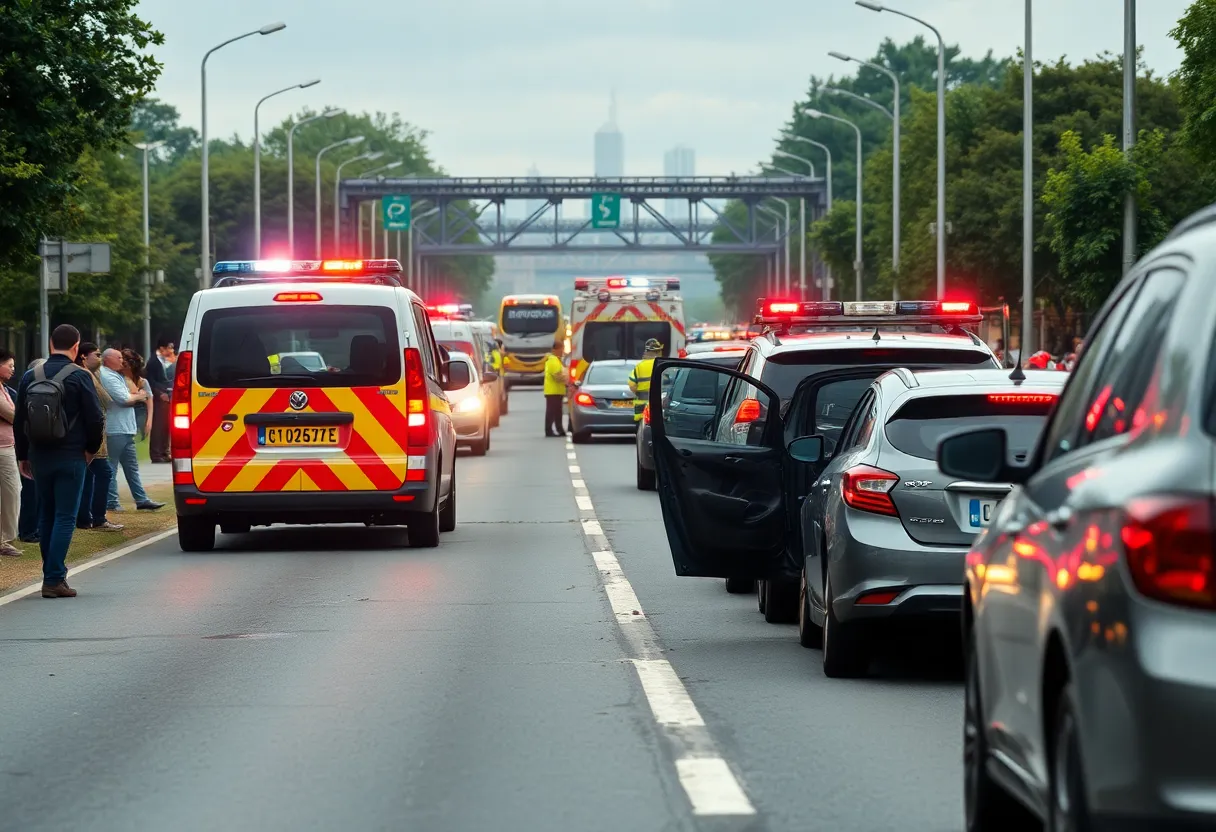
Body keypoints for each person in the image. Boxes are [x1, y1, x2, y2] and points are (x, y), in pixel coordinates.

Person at [14, 324, 105, 598]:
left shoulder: (31, 375)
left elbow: (20, 420)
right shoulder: (80, 376)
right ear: (77, 347)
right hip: (72, 455)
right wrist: (90, 450)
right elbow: (95, 418)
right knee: (66, 516)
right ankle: (54, 578)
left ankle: (52, 576)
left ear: (51, 343)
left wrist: (22, 455)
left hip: (39, 456)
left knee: (47, 514)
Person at [99, 348, 163, 512]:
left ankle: (141, 499)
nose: (122, 361)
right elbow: (125, 399)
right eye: (119, 358)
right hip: (115, 428)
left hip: (126, 428)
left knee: (131, 467)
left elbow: (135, 393)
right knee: (111, 467)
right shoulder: (106, 375)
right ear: (109, 359)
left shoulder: (119, 375)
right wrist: (139, 396)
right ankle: (111, 502)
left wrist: (138, 395)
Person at [75, 343, 122, 532]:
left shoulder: (89, 374)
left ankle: (86, 518)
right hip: (91, 437)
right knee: (103, 473)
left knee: (89, 477)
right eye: (97, 354)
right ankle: (97, 518)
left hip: (87, 435)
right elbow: (106, 400)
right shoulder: (85, 374)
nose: (100, 358)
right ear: (84, 357)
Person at [16, 358, 42, 543]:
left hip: (36, 444)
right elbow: (16, 416)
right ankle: (28, 529)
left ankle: (37, 527)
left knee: (39, 491)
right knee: (31, 490)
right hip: (31, 444)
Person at [0, 349, 21, 556]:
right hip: (2, 449)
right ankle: (4, 540)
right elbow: (12, 415)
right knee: (12, 492)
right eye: (10, 365)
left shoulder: (4, 388)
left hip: (6, 446)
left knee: (10, 493)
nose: (13, 370)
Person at [147, 337, 175, 462]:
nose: (171, 350)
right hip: (159, 397)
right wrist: (159, 393)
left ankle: (165, 451)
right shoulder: (153, 361)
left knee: (167, 425)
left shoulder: (165, 361)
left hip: (168, 395)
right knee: (158, 426)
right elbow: (150, 381)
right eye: (170, 347)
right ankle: (156, 454)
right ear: (162, 348)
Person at [628, 338, 664, 427]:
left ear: (646, 351)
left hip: (641, 407)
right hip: (658, 405)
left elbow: (632, 385)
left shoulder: (639, 367)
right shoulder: (661, 364)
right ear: (657, 352)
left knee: (642, 433)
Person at [121, 348, 153, 441]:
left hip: (140, 412)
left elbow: (149, 399)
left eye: (126, 359)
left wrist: (149, 420)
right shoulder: (118, 379)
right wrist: (139, 395)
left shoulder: (142, 381)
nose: (123, 362)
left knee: (140, 439)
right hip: (124, 413)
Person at [542, 340, 567, 437]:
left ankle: (559, 429)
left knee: (557, 412)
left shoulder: (556, 360)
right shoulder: (553, 360)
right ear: (556, 349)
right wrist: (567, 381)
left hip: (557, 390)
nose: (562, 351)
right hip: (553, 391)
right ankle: (549, 430)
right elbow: (557, 376)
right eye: (561, 349)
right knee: (551, 412)